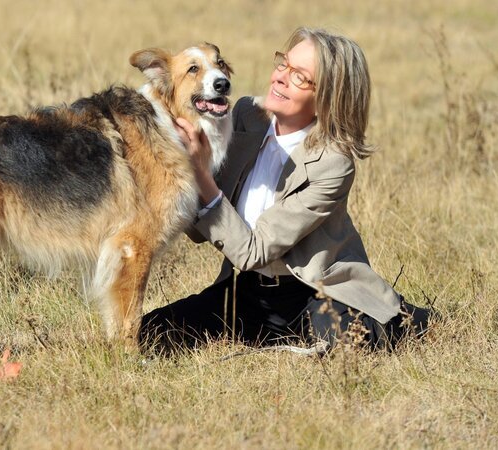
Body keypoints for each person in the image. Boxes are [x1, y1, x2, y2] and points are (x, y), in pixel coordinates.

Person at [139, 27, 430, 353]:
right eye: (283, 64)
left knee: (349, 343)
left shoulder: (333, 163)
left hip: (316, 293)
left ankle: (409, 320)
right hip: (250, 291)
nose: (280, 78)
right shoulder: (245, 116)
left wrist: (200, 174)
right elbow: (197, 230)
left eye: (299, 77)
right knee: (150, 331)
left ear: (327, 98)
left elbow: (252, 252)